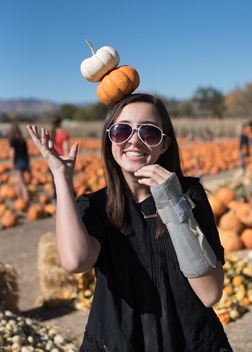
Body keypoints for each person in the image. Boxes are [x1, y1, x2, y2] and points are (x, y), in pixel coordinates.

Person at [27, 93, 233, 352]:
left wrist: (172, 203)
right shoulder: (95, 206)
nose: (134, 140)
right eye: (122, 130)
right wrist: (61, 179)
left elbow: (210, 293)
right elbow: (75, 262)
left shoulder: (188, 195)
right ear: (110, 139)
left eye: (148, 132)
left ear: (164, 144)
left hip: (190, 341)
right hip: (118, 341)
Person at [9, 123, 30, 203]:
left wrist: (11, 163)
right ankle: (20, 198)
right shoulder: (22, 140)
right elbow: (26, 152)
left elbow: (12, 152)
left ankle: (26, 200)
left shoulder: (13, 140)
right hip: (25, 160)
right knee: (17, 181)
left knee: (21, 182)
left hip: (18, 161)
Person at [50, 117, 69, 202]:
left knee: (54, 181)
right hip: (61, 160)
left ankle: (55, 199)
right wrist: (68, 161)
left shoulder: (51, 134)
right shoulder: (63, 135)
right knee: (64, 182)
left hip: (52, 160)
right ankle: (64, 200)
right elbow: (65, 150)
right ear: (60, 124)